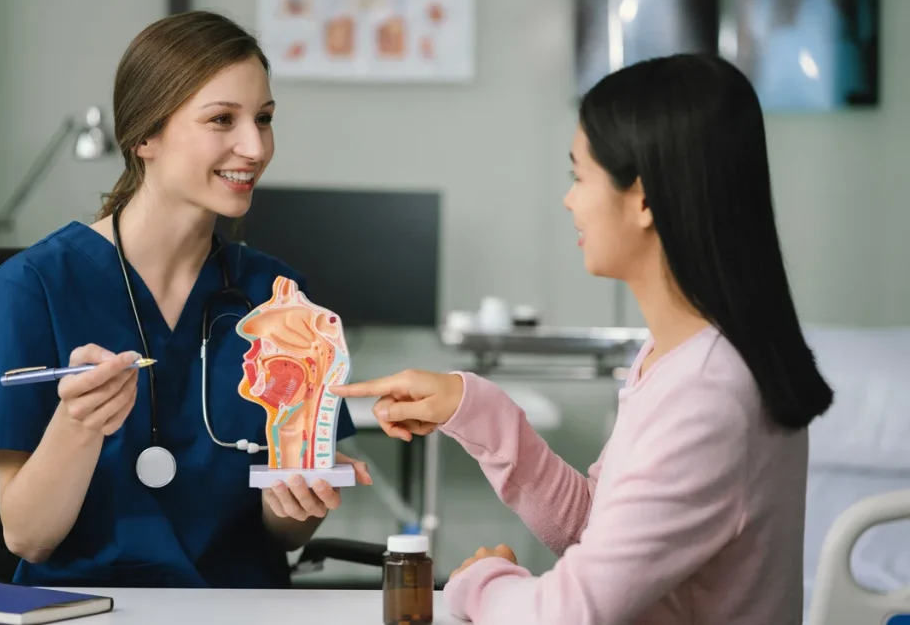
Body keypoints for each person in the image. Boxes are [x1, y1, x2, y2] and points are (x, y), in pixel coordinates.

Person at [332, 53, 833, 624]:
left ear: (643, 198)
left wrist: (475, 583)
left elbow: (570, 613)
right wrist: (472, 407)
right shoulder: (675, 358)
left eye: (579, 176)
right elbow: (595, 528)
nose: (570, 200)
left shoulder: (710, 394)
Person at [0, 10, 370, 589]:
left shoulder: (282, 303)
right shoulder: (28, 290)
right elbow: (28, 537)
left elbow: (283, 538)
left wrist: (296, 502)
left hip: (241, 612)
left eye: (264, 119)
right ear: (144, 135)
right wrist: (79, 424)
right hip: (91, 610)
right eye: (222, 119)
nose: (253, 147)